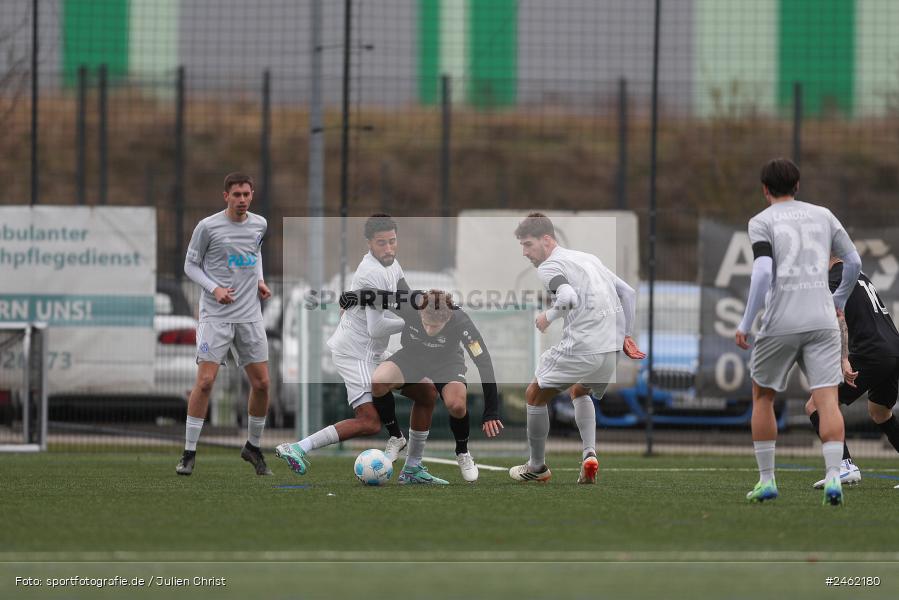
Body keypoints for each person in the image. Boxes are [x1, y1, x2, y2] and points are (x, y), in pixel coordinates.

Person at [735, 158, 862, 505]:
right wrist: (838, 299)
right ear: (798, 186)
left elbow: (762, 273)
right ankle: (835, 475)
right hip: (822, 320)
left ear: (764, 189)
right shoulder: (823, 214)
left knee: (763, 397)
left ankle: (767, 480)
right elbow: (854, 263)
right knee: (827, 399)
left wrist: (746, 322)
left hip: (782, 320)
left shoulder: (761, 221)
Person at [275, 214, 437, 475]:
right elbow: (376, 327)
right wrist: (414, 324)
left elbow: (405, 298)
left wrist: (423, 313)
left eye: (392, 241)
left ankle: (413, 468)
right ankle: (297, 447)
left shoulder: (392, 266)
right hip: (354, 353)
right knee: (370, 422)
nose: (388, 248)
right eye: (381, 243)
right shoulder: (370, 273)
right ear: (369, 244)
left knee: (427, 393)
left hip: (374, 350)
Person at [508, 213, 645, 484]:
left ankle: (536, 466)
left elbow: (568, 297)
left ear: (546, 240)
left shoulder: (548, 267)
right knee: (580, 390)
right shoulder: (588, 258)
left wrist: (547, 316)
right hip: (611, 350)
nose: (525, 252)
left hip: (584, 347)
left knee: (534, 394)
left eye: (528, 244)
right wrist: (626, 335)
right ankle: (589, 455)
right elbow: (628, 293)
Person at [344, 288, 503, 483]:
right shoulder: (410, 302)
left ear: (448, 318)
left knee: (457, 405)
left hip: (447, 363)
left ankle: (462, 452)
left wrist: (491, 412)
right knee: (379, 381)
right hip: (413, 357)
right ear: (420, 311)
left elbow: (484, 362)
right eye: (426, 324)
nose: (429, 330)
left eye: (435, 327)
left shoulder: (461, 321)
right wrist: (348, 299)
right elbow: (375, 295)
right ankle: (396, 437)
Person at [177, 172, 273, 476]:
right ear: (226, 197)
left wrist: (259, 280)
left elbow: (255, 252)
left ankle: (253, 447)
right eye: (236, 195)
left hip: (249, 315)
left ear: (252, 195)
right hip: (216, 317)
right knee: (205, 382)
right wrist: (214, 288)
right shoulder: (207, 227)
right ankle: (189, 452)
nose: (242, 200)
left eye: (246, 194)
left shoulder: (260, 224)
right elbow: (190, 265)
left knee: (262, 383)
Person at [804, 256, 899, 490]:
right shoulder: (859, 275)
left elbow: (838, 319)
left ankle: (844, 465)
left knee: (816, 404)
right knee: (880, 412)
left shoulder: (835, 277)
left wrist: (843, 358)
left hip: (871, 352)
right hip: (892, 350)